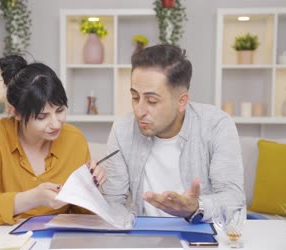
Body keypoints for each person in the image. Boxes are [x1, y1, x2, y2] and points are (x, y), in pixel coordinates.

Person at [102, 44, 245, 223]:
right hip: (144, 237)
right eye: (135, 97)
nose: (139, 111)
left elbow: (234, 200)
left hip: (201, 235)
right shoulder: (122, 130)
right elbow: (112, 202)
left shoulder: (216, 125)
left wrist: (196, 207)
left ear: (181, 102)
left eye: (152, 101)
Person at [0, 55, 106, 225]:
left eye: (60, 110)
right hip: (5, 242)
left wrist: (91, 187)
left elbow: (83, 216)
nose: (55, 123)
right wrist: (33, 198)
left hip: (57, 240)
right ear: (15, 112)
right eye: (42, 116)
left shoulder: (74, 140)